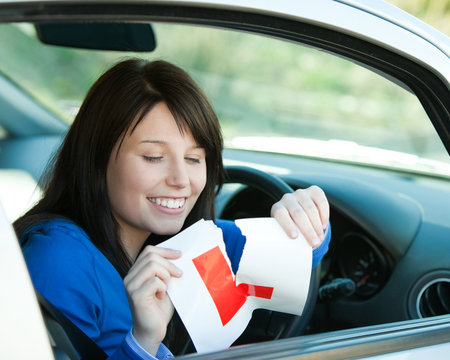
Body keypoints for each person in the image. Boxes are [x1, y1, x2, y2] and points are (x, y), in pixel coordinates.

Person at [15, 59, 331, 360]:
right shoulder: (58, 262)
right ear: (96, 158)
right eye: (153, 157)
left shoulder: (185, 243)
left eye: (194, 159)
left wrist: (306, 214)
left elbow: (296, 253)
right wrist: (141, 342)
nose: (181, 180)